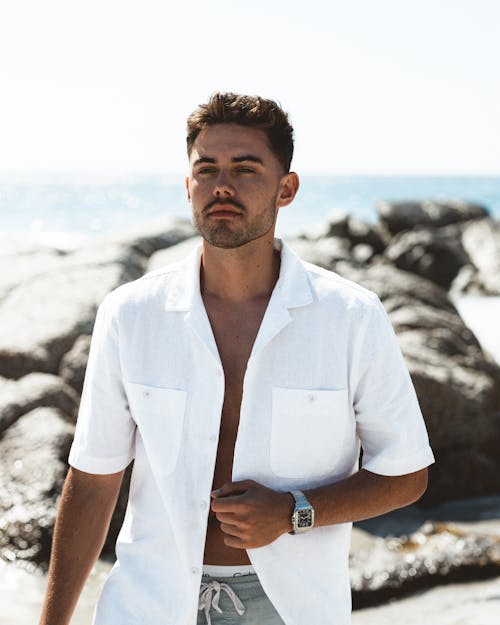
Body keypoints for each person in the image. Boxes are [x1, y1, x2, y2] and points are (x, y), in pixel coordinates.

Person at [39, 92, 435, 625]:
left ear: (286, 188)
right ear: (188, 187)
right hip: (149, 601)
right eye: (207, 169)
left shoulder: (350, 318)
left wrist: (295, 512)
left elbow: (406, 473)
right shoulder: (130, 314)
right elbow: (92, 478)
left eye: (245, 169)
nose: (222, 185)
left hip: (290, 607)